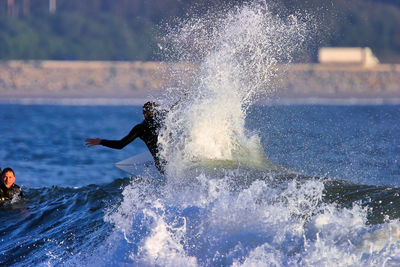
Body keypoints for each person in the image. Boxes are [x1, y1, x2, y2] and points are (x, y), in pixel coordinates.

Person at [85, 101, 168, 174]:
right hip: (173, 157)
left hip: (162, 165)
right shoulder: (165, 118)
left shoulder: (140, 128)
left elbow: (120, 145)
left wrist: (101, 141)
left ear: (144, 113)